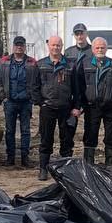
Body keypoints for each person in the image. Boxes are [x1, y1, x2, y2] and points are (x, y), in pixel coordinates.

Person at [72, 36, 112, 167]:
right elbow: (79, 84)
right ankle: (88, 164)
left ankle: (109, 164)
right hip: (91, 106)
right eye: (97, 47)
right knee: (90, 134)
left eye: (102, 47)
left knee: (110, 135)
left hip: (110, 107)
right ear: (93, 49)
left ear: (106, 49)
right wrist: (83, 101)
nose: (100, 49)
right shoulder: (85, 64)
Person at [0, 35, 38, 167]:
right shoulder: (4, 61)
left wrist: (32, 97)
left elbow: (36, 81)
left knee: (25, 130)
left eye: (21, 45)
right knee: (10, 130)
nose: (19, 47)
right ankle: (10, 157)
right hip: (10, 102)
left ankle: (25, 158)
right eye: (17, 44)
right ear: (13, 46)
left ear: (25, 47)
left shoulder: (32, 62)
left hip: (25, 102)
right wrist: (3, 97)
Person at [36, 36, 75, 181]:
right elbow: (34, 86)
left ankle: (66, 170)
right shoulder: (40, 65)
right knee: (46, 138)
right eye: (53, 45)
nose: (55, 48)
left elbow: (77, 88)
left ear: (62, 46)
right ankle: (43, 169)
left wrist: (76, 106)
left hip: (66, 108)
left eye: (58, 45)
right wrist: (41, 102)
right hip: (48, 108)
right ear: (48, 46)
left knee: (66, 139)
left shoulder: (70, 65)